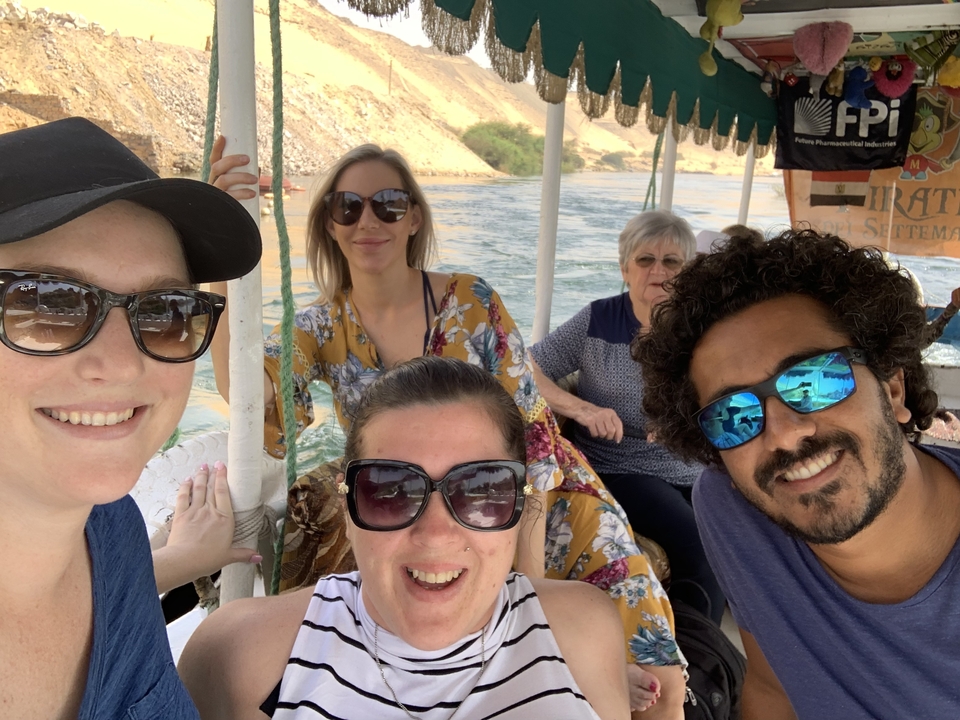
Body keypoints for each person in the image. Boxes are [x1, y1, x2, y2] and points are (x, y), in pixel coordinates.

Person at [209, 141, 686, 715]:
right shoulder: (318, 326)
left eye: (388, 204)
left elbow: (534, 444)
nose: (368, 220)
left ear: (413, 218)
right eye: (347, 207)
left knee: (660, 675)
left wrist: (525, 599)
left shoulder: (472, 301)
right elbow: (248, 394)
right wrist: (221, 267)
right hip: (410, 502)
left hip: (536, 499)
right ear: (329, 224)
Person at [178, 356, 633, 718]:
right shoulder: (240, 656)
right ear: (348, 507)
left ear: (519, 507)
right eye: (390, 490)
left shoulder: (584, 630)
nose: (435, 534)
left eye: (482, 489)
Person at [634, 229, 960, 720]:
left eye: (814, 380)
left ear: (893, 388)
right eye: (732, 414)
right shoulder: (733, 507)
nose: (783, 434)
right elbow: (774, 687)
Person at [0, 118, 261, 718]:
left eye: (164, 311)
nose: (122, 364)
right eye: (48, 304)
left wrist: (173, 563)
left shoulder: (111, 531)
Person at [529, 210, 723, 624]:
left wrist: (685, 419)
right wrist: (581, 408)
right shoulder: (598, 319)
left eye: (671, 261)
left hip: (692, 464)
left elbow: (726, 394)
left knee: (740, 532)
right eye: (645, 260)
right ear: (624, 269)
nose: (658, 271)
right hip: (618, 466)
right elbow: (527, 367)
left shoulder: (701, 330)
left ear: (686, 270)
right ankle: (697, 661)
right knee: (700, 545)